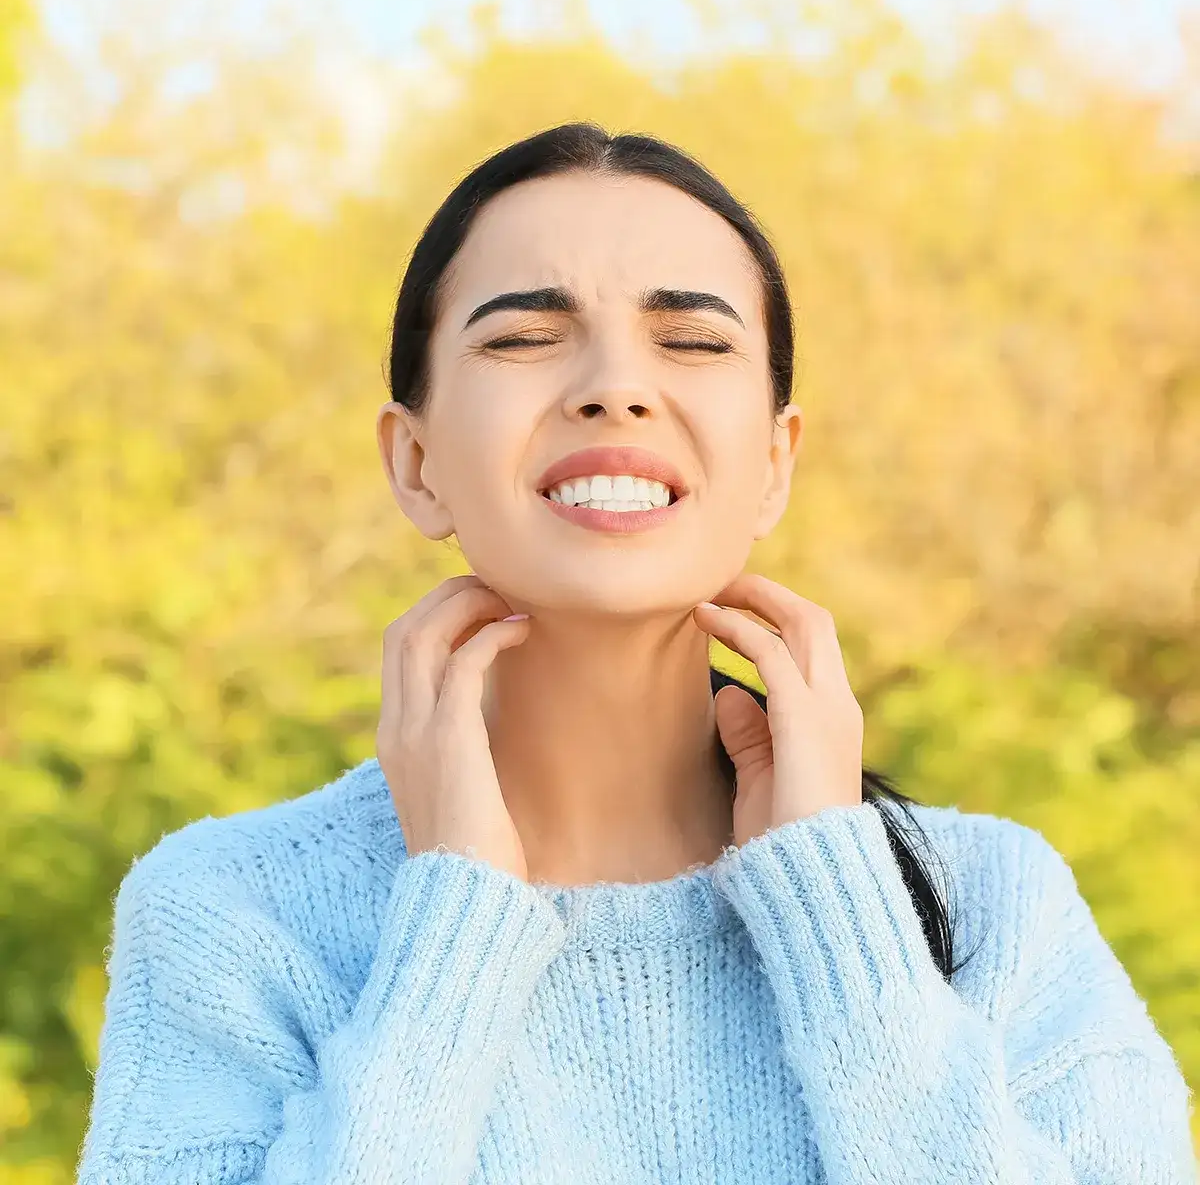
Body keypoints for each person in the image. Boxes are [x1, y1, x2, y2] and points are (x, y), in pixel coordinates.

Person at [76, 122, 1196, 1184]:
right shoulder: (227, 913)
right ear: (414, 462)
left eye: (694, 341)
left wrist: (840, 922)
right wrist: (455, 916)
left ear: (774, 460)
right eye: (522, 337)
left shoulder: (994, 904)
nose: (615, 386)